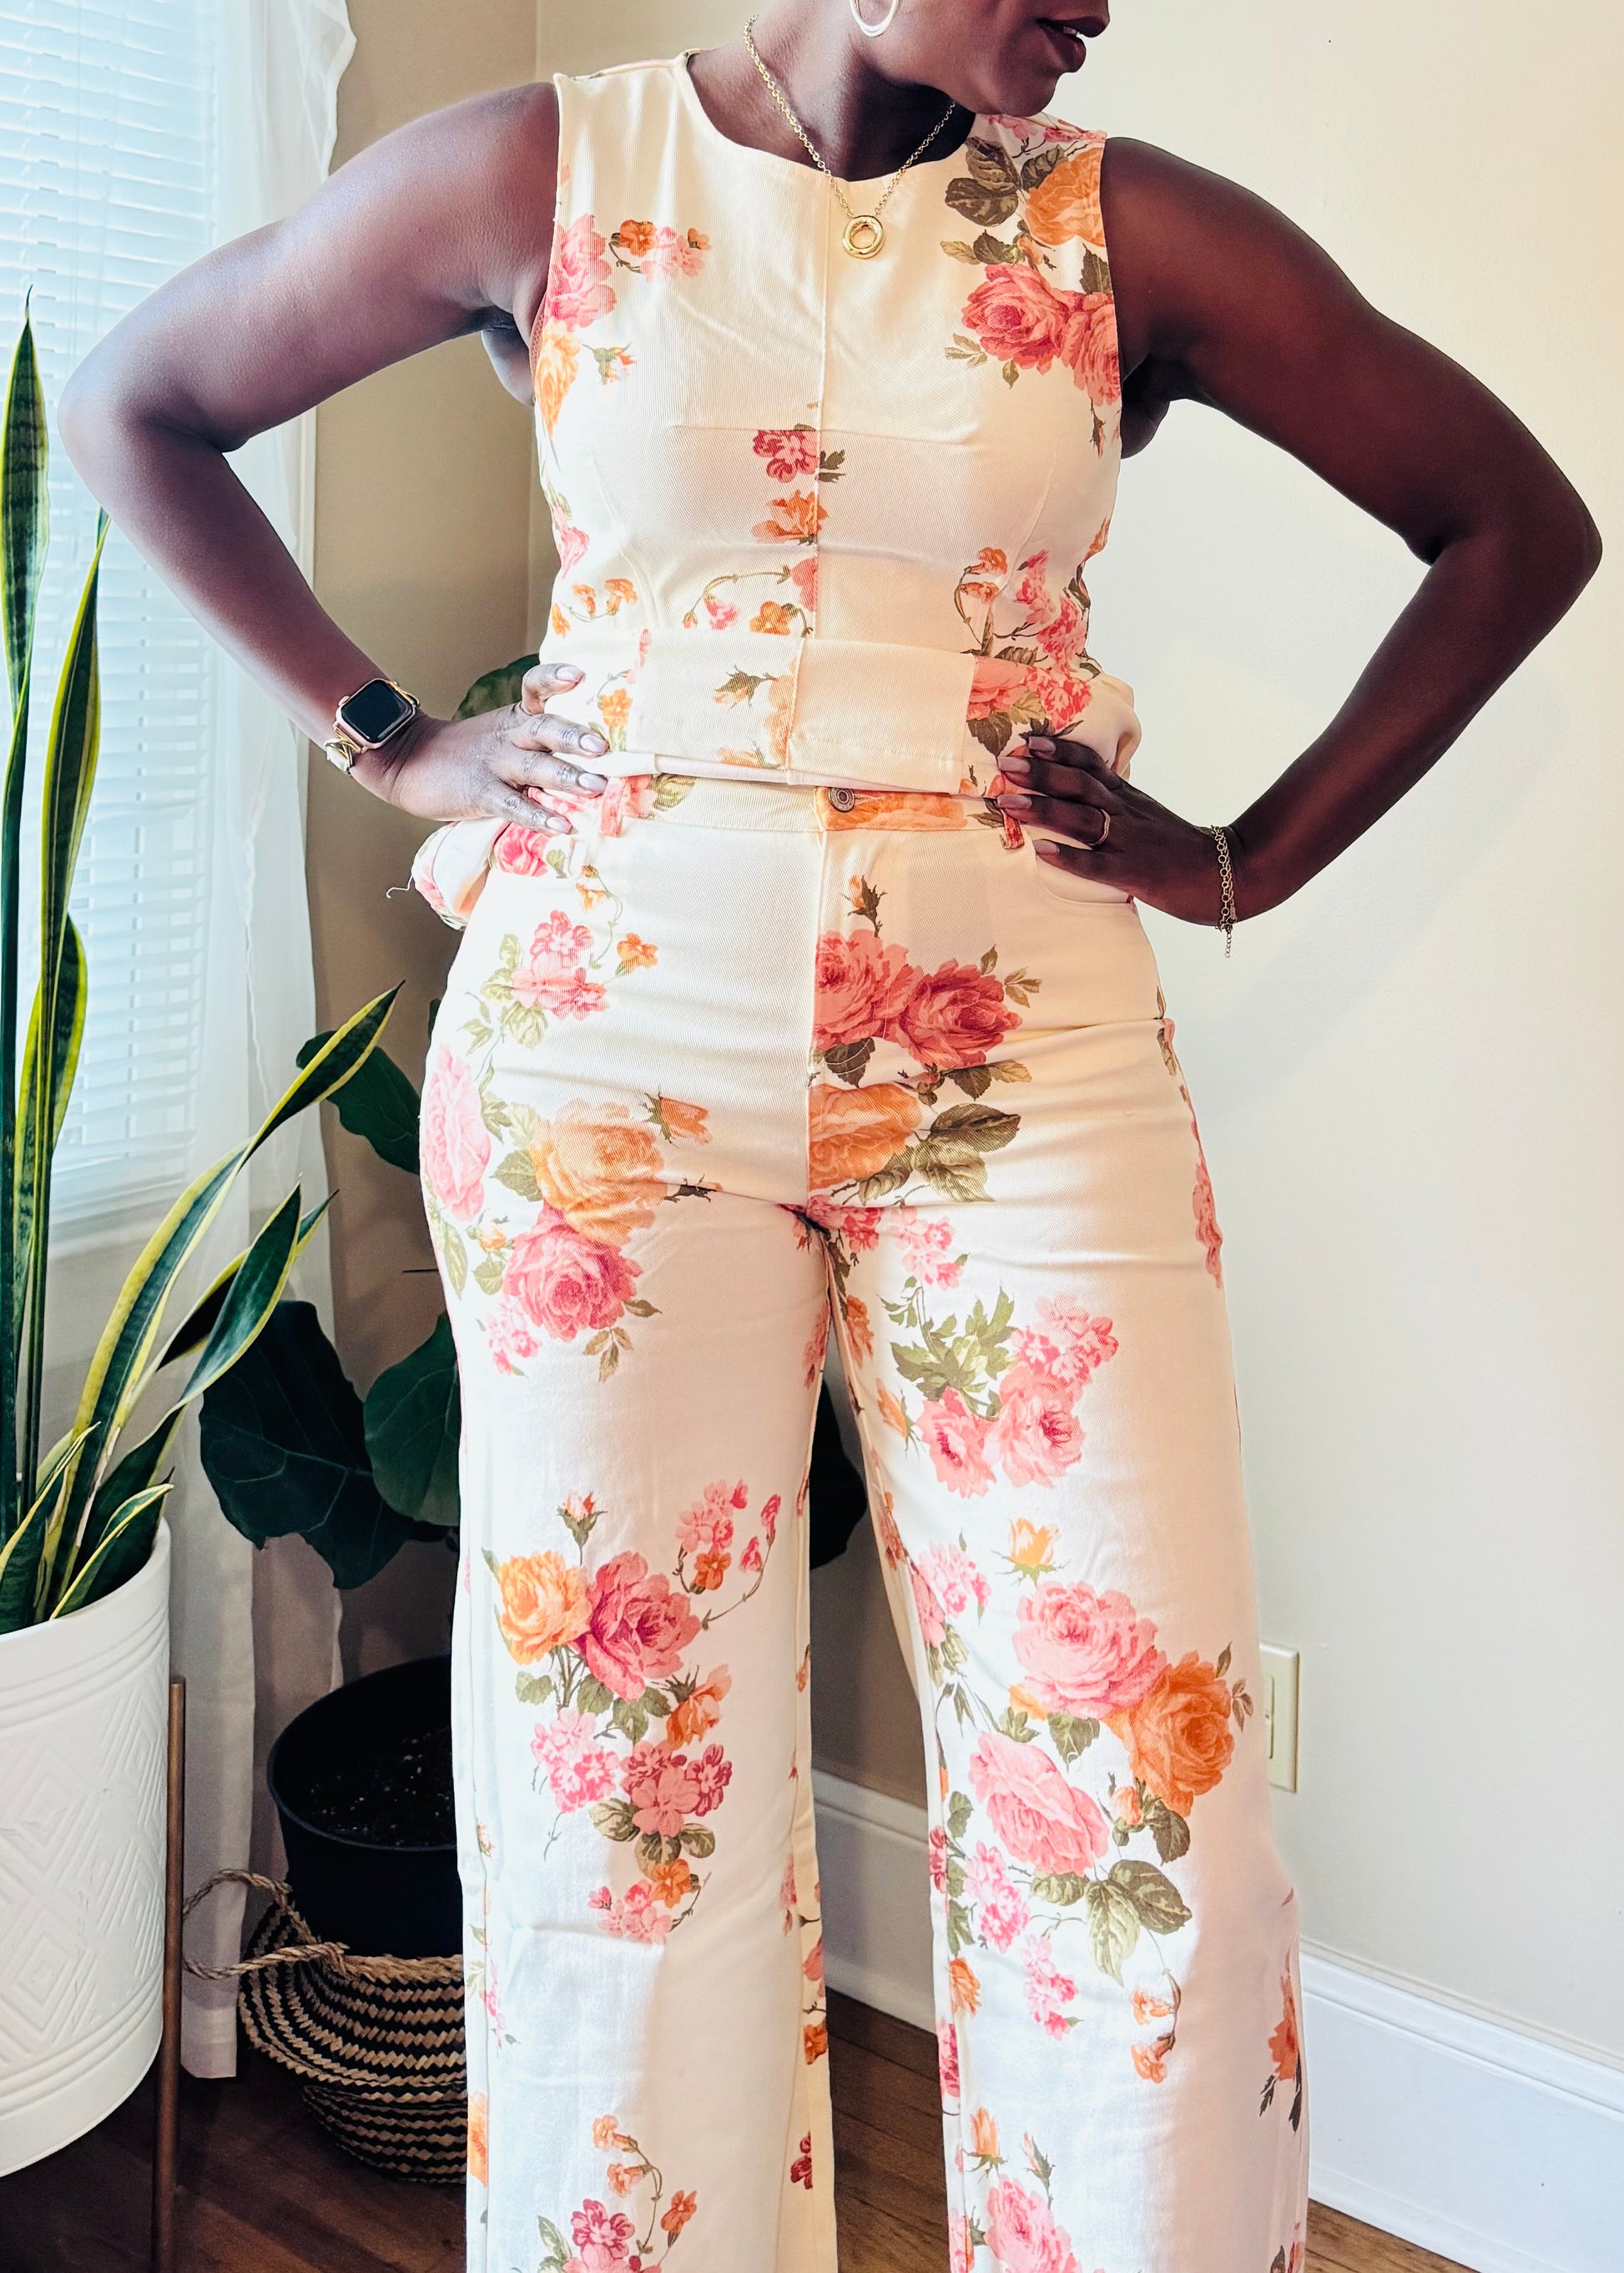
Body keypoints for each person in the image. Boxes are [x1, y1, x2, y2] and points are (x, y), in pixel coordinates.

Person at [59, 4, 1599, 2268]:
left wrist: (1236, 855)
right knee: (618, 1787)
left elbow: (1509, 519)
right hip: (606, 1067)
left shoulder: (1121, 227)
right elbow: (138, 400)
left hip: (1020, 1059)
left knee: (1136, 1774)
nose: (1099, 1)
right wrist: (391, 736)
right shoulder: (539, 175)